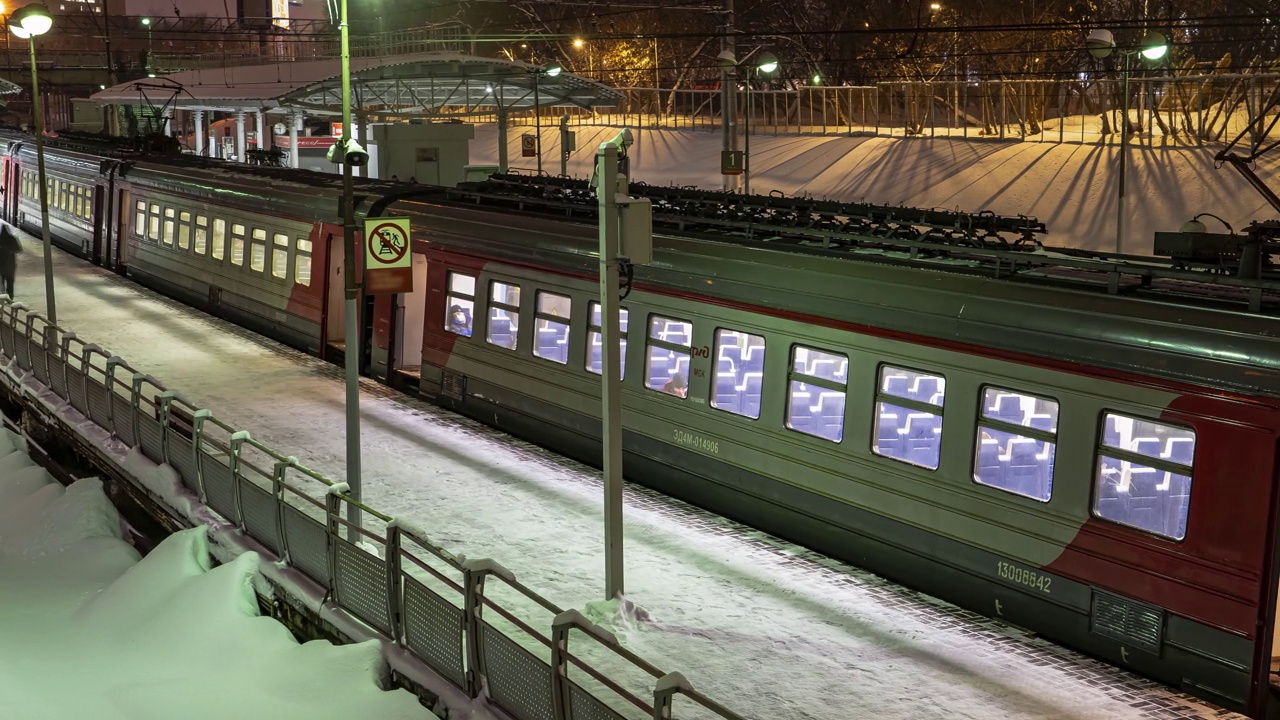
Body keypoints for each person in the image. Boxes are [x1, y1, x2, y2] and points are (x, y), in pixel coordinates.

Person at [0, 221, 22, 298]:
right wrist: (10, 250)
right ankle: (10, 295)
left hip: (1, 264)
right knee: (10, 281)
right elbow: (19, 250)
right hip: (10, 264)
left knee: (1, 280)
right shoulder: (12, 238)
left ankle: (2, 295)